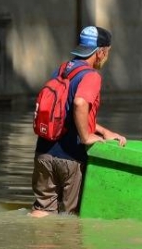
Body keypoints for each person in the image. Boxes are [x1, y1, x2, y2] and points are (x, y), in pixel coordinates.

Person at [31, 25, 126, 217]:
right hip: (70, 158)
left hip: (44, 153)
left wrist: (101, 131)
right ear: (100, 52)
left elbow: (64, 111)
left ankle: (36, 246)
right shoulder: (91, 76)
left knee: (41, 211)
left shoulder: (63, 69)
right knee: (70, 218)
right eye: (107, 52)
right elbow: (80, 103)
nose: (106, 57)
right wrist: (87, 136)